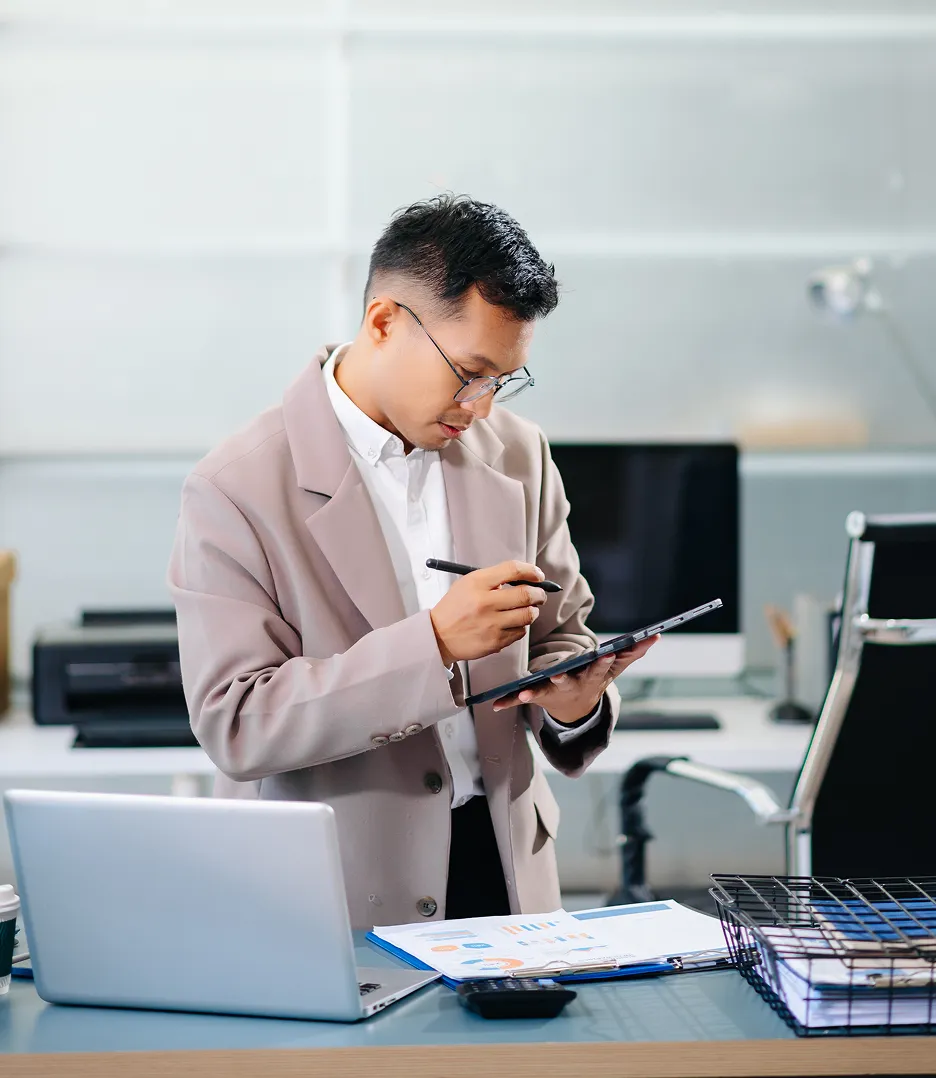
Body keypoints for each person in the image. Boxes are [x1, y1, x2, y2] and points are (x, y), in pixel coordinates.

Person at [168, 194, 656, 927]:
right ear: (385, 322)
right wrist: (432, 646)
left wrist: (577, 700)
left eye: (502, 379)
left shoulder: (520, 454)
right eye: (469, 372)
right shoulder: (235, 486)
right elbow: (238, 722)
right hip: (333, 890)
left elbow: (562, 634)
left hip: (506, 875)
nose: (483, 406)